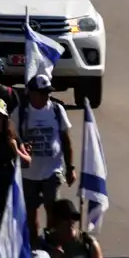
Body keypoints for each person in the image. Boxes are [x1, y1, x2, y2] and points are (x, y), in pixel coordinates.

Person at [19, 74, 75, 238]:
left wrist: (70, 168)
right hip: (28, 174)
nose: (46, 96)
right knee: (30, 212)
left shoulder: (57, 110)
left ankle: (50, 242)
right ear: (31, 94)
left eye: (48, 92)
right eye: (42, 93)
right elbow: (12, 134)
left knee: (53, 211)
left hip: (52, 172)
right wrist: (22, 146)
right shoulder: (21, 112)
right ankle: (34, 244)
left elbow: (66, 139)